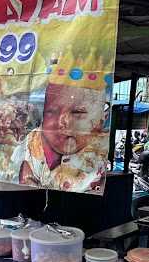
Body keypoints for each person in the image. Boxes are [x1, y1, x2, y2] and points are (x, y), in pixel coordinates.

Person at [14, 57, 109, 193]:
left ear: (100, 120)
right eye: (51, 112)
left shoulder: (97, 154)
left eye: (77, 112)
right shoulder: (30, 144)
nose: (63, 122)